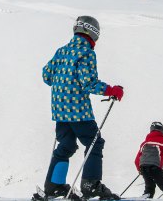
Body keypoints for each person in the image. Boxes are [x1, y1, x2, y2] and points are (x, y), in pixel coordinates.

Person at [40, 16, 124, 200]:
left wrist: (62, 81)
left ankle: (54, 186)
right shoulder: (86, 53)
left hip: (59, 111)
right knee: (95, 142)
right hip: (77, 110)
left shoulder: (61, 51)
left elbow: (46, 76)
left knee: (67, 145)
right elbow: (88, 83)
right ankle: (90, 186)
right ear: (92, 33)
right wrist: (111, 90)